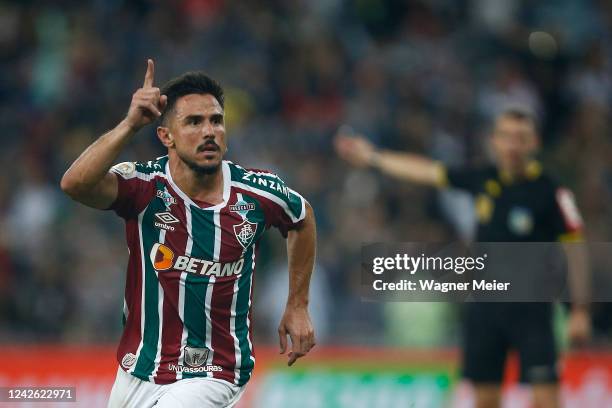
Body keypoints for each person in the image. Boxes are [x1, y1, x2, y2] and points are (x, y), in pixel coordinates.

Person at [61, 59, 316, 407]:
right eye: (194, 122)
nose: (209, 131)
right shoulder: (144, 186)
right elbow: (75, 185)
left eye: (216, 121)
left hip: (215, 370)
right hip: (140, 367)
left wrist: (298, 305)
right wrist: (130, 124)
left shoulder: (256, 192)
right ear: (166, 136)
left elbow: (301, 218)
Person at [334, 108, 590, 408]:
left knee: (546, 399)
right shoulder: (482, 178)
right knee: (484, 399)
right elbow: (427, 171)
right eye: (506, 137)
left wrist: (579, 309)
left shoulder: (551, 191)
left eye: (520, 138)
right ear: (493, 141)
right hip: (485, 309)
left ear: (533, 143)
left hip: (532, 311)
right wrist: (373, 157)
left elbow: (576, 249)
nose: (512, 145)